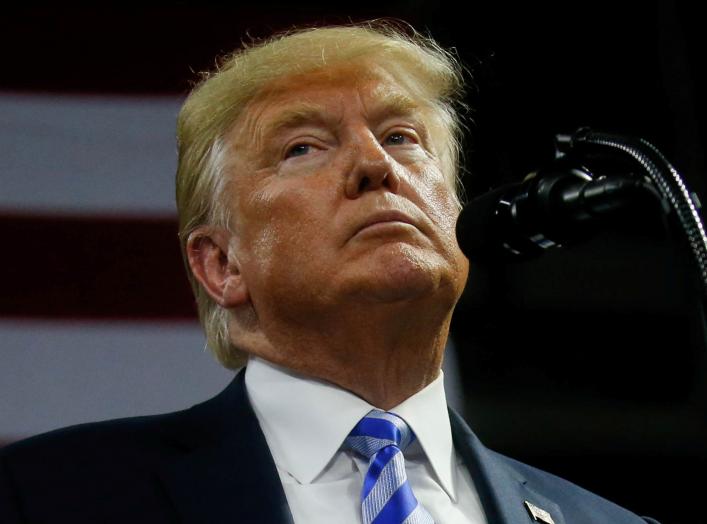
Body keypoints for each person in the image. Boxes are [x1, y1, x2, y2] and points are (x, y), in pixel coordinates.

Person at [0, 21, 658, 524]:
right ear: (222, 265)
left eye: (402, 137)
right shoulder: (46, 496)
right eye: (303, 147)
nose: (377, 166)